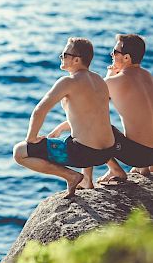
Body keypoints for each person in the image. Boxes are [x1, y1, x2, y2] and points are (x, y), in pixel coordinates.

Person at [13, 37, 119, 198]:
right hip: (107, 152)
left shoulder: (68, 82)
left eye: (64, 54)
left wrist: (31, 138)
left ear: (76, 60)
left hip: (84, 154)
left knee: (19, 152)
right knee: (81, 136)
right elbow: (90, 117)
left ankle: (71, 176)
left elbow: (39, 111)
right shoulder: (98, 80)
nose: (61, 57)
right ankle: (88, 180)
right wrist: (60, 128)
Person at [91, 34, 153, 184]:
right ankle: (143, 168)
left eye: (115, 52)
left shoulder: (114, 81)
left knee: (92, 126)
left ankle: (115, 169)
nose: (111, 55)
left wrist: (110, 74)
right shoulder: (147, 75)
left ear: (126, 58)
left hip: (139, 155)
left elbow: (93, 106)